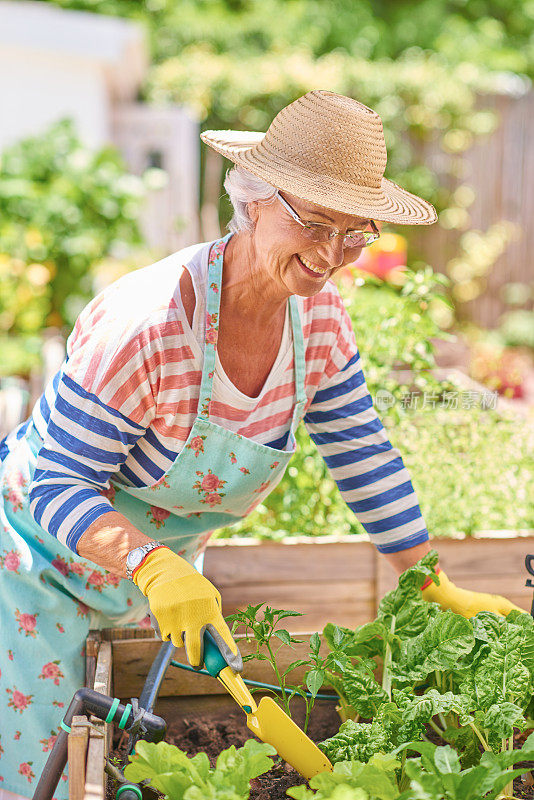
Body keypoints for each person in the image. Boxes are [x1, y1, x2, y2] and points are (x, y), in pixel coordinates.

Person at [0, 90, 521, 797]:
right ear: (253, 199)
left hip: (153, 583)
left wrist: (425, 575)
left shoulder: (321, 322)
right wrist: (154, 567)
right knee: (47, 777)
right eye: (314, 221)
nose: (332, 255)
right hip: (33, 574)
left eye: (355, 232)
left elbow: (362, 452)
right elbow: (56, 483)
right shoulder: (149, 325)